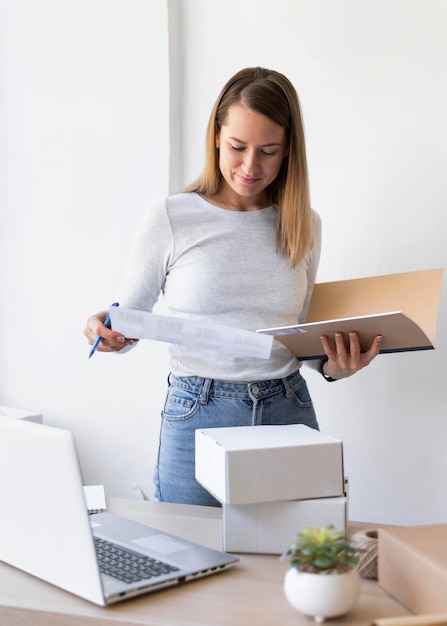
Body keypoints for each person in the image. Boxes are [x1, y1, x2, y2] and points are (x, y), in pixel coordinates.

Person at [84, 67, 382, 507]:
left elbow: (300, 332)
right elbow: (127, 323)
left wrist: (338, 366)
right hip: (197, 411)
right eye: (238, 147)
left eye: (268, 151)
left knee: (298, 560)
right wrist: (104, 331)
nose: (249, 166)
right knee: (194, 560)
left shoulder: (304, 225)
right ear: (217, 138)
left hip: (287, 407)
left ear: (288, 153)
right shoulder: (171, 217)